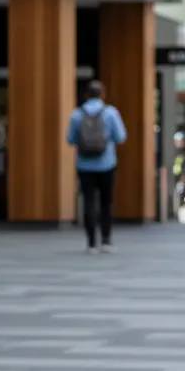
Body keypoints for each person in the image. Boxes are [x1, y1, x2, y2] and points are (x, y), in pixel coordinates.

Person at [67, 81, 127, 254]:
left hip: (84, 165)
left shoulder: (76, 114)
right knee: (106, 202)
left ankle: (91, 243)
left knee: (88, 201)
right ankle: (106, 241)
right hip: (107, 164)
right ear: (102, 94)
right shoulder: (111, 113)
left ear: (85, 94)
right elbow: (121, 137)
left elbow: (70, 139)